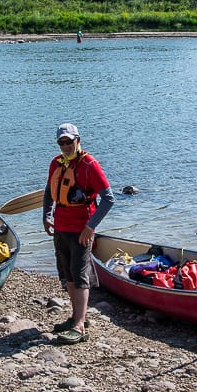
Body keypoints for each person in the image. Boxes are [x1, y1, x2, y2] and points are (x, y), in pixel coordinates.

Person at [43, 123, 115, 344]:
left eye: (69, 142)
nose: (65, 146)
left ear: (78, 140)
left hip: (82, 229)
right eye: (61, 142)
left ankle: (80, 326)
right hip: (61, 227)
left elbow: (109, 198)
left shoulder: (89, 165)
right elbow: (48, 190)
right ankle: (76, 316)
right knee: (67, 274)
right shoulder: (56, 163)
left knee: (79, 273)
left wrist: (90, 227)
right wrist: (46, 215)